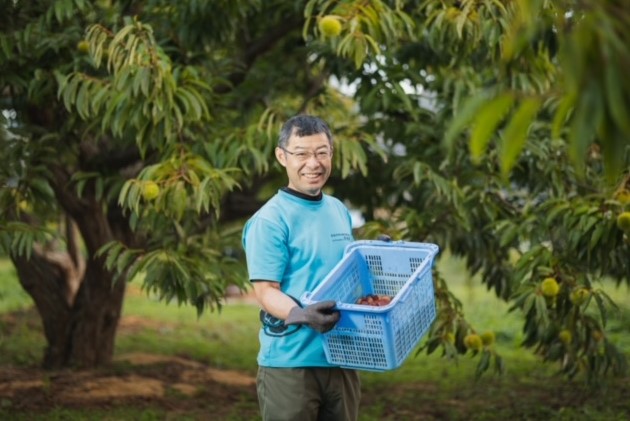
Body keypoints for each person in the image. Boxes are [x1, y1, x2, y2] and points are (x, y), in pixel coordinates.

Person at [242, 115, 361, 420]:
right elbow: (266, 291)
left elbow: (346, 273)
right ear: (282, 157)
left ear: (331, 154)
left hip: (342, 358)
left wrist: (376, 254)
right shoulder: (270, 220)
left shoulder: (338, 210)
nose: (314, 163)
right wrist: (300, 315)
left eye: (322, 152)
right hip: (290, 363)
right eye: (302, 153)